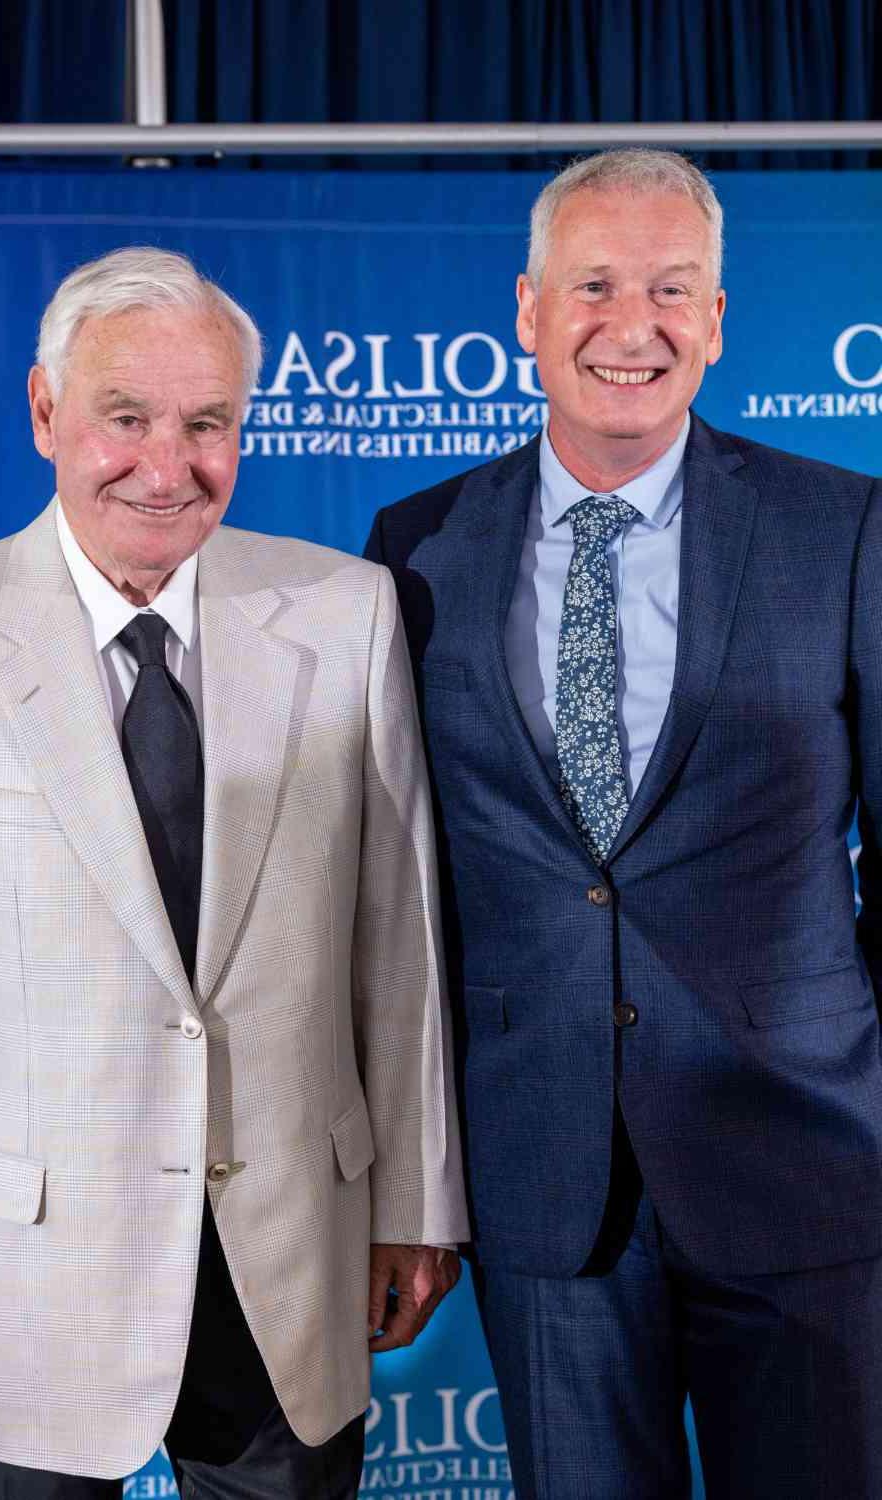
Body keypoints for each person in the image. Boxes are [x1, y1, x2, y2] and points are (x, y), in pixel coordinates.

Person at [0, 247, 467, 1500]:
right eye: (125, 418)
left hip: (291, 1264)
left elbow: (398, 940)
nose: (167, 464)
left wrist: (416, 1195)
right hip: (16, 1289)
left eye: (207, 424)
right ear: (47, 412)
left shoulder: (349, 612)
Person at [365, 148, 882, 1500]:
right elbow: (390, 895)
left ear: (716, 319)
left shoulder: (843, 529)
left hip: (810, 1167)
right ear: (531, 311)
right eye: (595, 285)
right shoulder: (412, 548)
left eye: (671, 287)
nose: (632, 324)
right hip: (546, 1183)